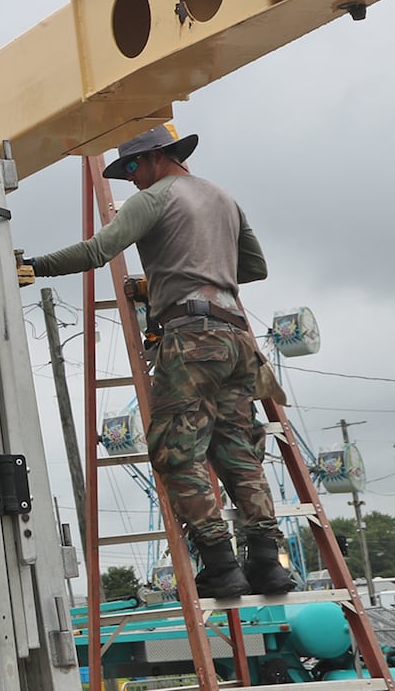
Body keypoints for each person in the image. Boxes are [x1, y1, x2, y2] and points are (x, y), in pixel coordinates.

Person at [23, 124, 295, 599]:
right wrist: (191, 271)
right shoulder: (223, 199)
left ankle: (220, 563)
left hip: (191, 339)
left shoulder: (153, 200)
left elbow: (96, 251)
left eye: (132, 166)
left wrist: (30, 267)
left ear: (155, 158)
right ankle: (268, 563)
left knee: (177, 451)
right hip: (235, 339)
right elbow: (255, 269)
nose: (130, 178)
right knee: (239, 453)